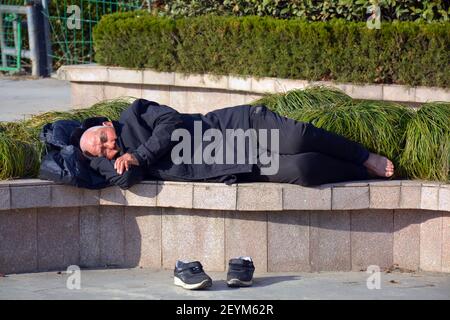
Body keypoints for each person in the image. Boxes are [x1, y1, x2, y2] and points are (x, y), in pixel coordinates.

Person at [79, 98, 394, 189]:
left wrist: (139, 154)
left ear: (107, 124)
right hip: (238, 163)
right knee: (304, 168)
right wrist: (95, 159)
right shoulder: (124, 165)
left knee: (298, 138)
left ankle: (364, 156)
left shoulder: (135, 114)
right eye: (102, 151)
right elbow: (125, 178)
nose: (108, 147)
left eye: (103, 139)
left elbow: (171, 122)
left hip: (240, 127)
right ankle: (363, 173)